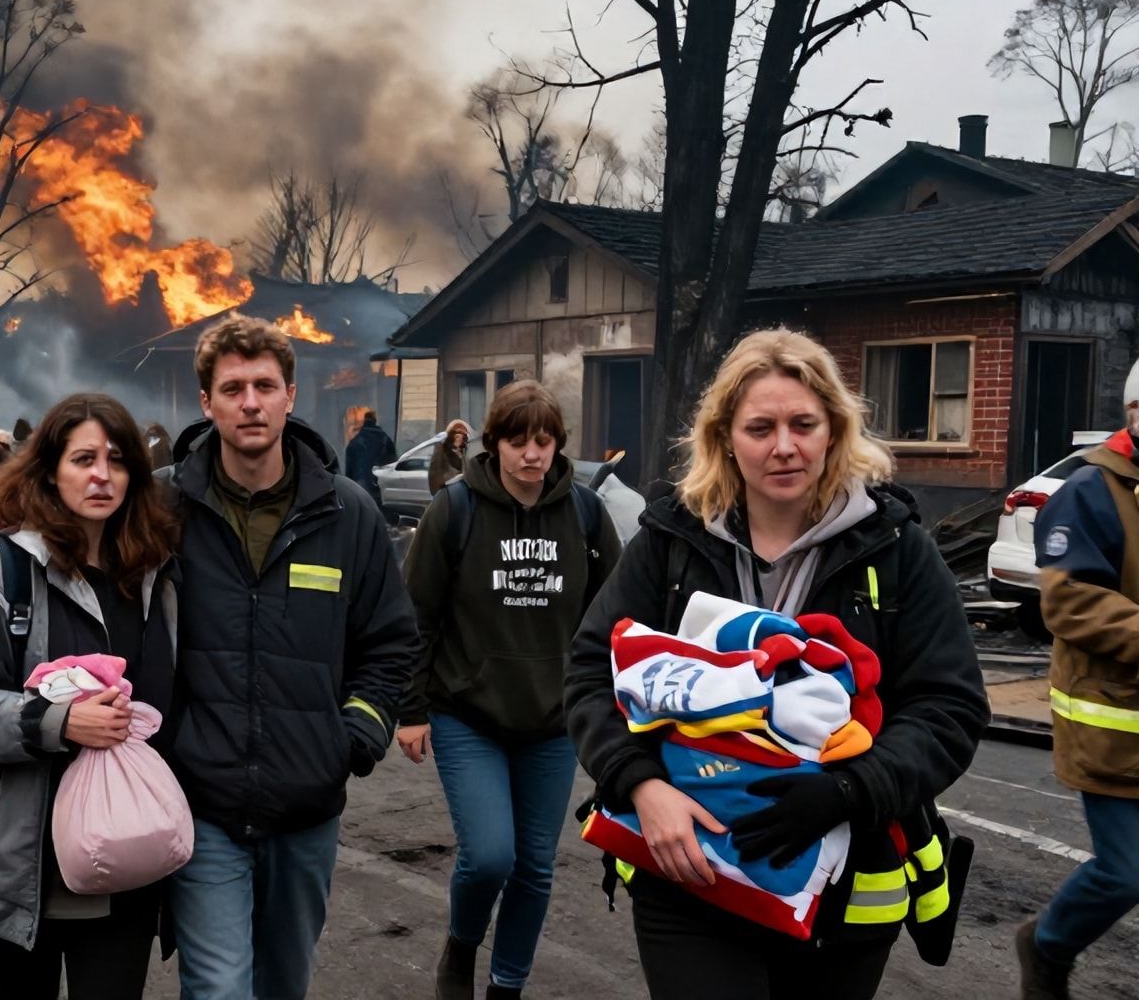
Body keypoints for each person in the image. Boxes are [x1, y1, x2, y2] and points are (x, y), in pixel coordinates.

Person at [0, 315, 419, 1000]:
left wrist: (350, 739)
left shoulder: (347, 513)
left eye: (265, 385)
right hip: (201, 801)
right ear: (206, 403)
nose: (251, 402)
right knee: (219, 989)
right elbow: (76, 517)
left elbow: (391, 643)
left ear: (290, 395)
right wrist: (0, 529)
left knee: (283, 983)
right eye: (233, 388)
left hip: (307, 802)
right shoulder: (164, 504)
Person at [563, 329, 988, 1000]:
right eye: (760, 427)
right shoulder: (669, 543)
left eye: (803, 424)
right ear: (725, 436)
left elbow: (950, 707)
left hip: (846, 895)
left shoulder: (898, 550)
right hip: (691, 877)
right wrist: (642, 786)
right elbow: (592, 673)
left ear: (834, 430)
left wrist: (852, 790)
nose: (783, 446)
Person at [0, 392, 179, 1000]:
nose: (101, 475)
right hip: (19, 864)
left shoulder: (157, 576)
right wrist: (53, 723)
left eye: (117, 459)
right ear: (50, 469)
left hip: (128, 862)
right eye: (83, 458)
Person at [396, 381, 621, 1000]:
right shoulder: (456, 508)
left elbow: (616, 617)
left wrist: (610, 705)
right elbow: (418, 615)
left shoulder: (585, 513)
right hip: (467, 716)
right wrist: (410, 709)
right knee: (491, 856)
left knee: (534, 869)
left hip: (554, 722)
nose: (531, 454)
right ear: (493, 444)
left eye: (543, 441)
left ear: (557, 445)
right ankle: (461, 944)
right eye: (517, 440)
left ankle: (507, 986)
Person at [1015, 366, 1139, 1000]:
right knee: (1126, 873)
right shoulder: (1091, 491)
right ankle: (1046, 945)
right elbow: (1069, 603)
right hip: (1115, 725)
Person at [344, 408, 397, 507]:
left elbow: (349, 472)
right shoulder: (385, 439)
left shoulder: (355, 442)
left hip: (360, 490)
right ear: (375, 421)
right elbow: (393, 463)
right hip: (380, 488)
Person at [429, 419, 472, 495]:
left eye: (463, 435)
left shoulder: (468, 452)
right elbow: (435, 479)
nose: (459, 438)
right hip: (447, 494)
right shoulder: (442, 452)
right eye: (456, 434)